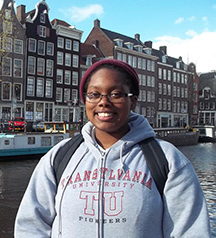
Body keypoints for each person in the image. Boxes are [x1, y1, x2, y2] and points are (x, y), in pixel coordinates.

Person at [14, 59, 211, 237]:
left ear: (132, 101)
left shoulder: (167, 160)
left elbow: (191, 231)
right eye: (94, 94)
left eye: (115, 94)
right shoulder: (59, 157)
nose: (104, 102)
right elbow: (31, 226)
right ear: (85, 100)